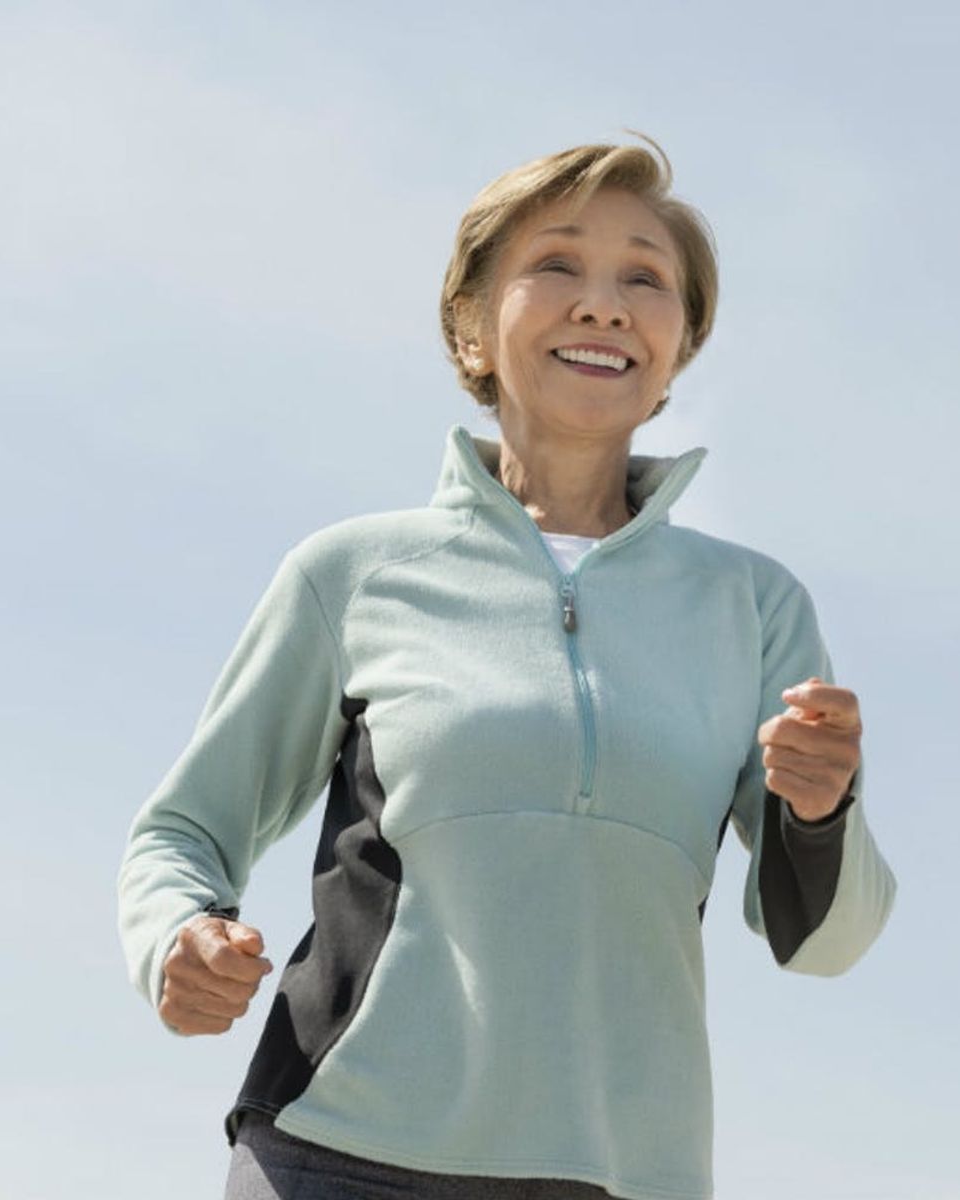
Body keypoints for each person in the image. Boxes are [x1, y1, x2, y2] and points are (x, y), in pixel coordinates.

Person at [117, 135, 896, 1200]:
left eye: (645, 280)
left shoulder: (754, 608)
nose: (604, 305)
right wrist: (180, 937)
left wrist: (820, 809)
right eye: (558, 264)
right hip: (337, 1157)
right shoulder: (354, 574)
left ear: (680, 346)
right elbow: (183, 830)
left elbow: (828, 943)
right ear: (471, 327)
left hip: (624, 1175)